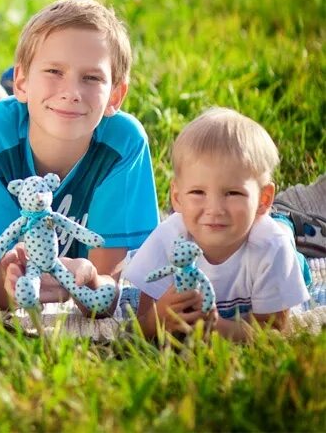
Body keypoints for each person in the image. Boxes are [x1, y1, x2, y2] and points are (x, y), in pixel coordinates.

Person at [0, 0, 160, 310]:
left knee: (32, 110)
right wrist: (20, 283)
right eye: (54, 71)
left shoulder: (124, 145)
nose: (72, 92)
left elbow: (105, 290)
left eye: (91, 78)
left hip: (23, 113)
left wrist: (88, 279)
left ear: (116, 94)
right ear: (23, 82)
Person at [123, 108, 310, 340]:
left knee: (283, 236)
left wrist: (216, 327)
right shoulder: (169, 238)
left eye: (232, 193)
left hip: (279, 244)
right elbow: (138, 325)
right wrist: (157, 319)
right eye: (198, 192)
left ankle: (288, 222)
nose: (214, 209)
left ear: (263, 199)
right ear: (177, 197)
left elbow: (274, 332)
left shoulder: (271, 247)